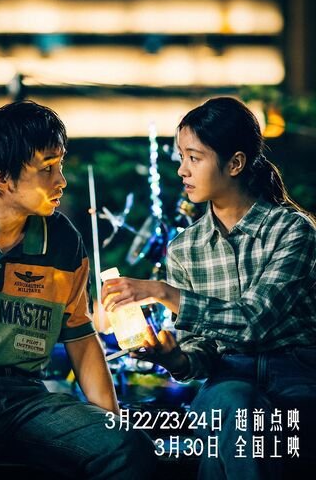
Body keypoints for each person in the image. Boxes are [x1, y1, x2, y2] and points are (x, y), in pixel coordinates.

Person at [0, 100, 155, 480]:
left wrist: (112, 424)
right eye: (47, 168)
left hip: (26, 399)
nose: (61, 180)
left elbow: (82, 340)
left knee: (127, 448)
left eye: (60, 165)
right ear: (2, 177)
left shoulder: (63, 240)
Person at [102, 96, 316, 479]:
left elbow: (254, 322)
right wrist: (174, 359)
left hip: (294, 378)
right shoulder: (185, 248)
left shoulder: (292, 230)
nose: (182, 170)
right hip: (227, 382)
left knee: (230, 435)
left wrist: (164, 292)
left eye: (194, 158)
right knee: (234, 403)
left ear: (235, 163)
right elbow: (200, 351)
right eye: (180, 157)